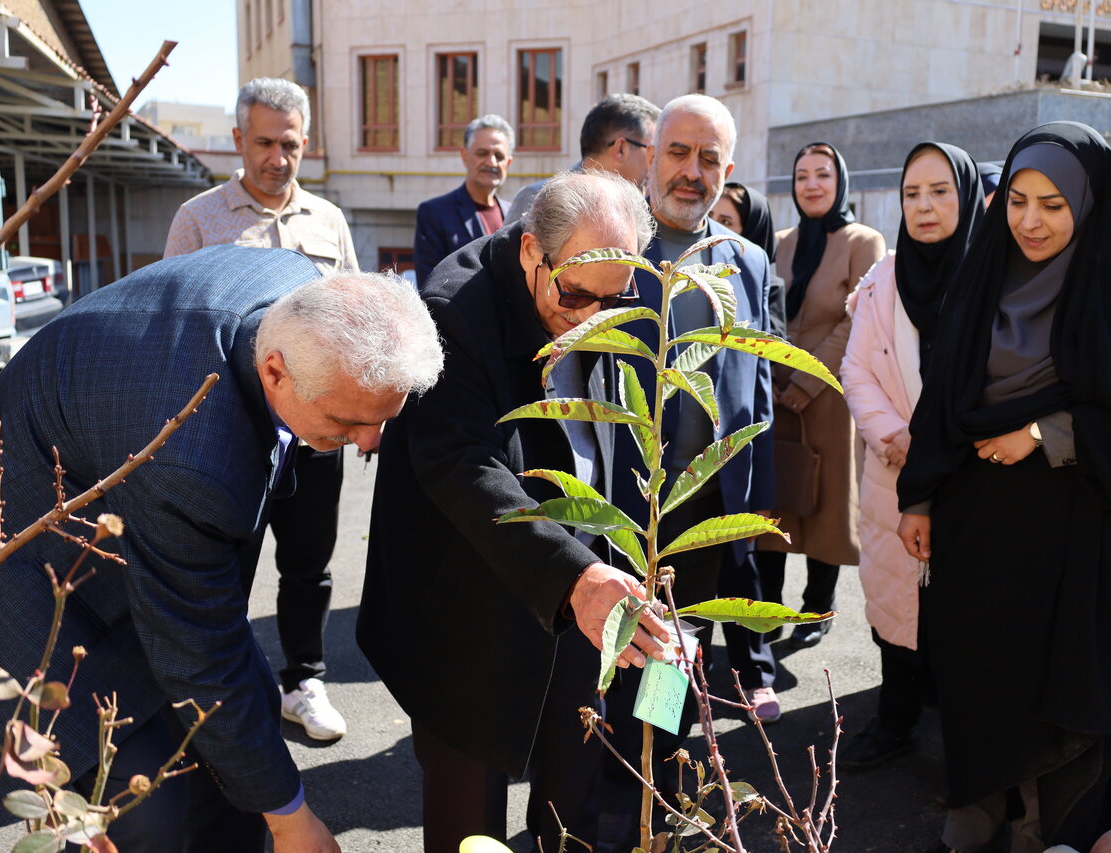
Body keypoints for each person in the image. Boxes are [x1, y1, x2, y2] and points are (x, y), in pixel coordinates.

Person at [0, 246, 443, 852]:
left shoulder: (297, 289)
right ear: (276, 371)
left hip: (111, 477)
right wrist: (292, 819)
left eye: (381, 420)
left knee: (241, 725)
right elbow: (202, 653)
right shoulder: (193, 457)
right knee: (137, 806)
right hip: (15, 545)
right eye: (347, 422)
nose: (368, 443)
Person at [896, 121, 1111, 852]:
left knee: (1053, 683)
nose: (1030, 222)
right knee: (979, 670)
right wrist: (920, 495)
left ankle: (1047, 826)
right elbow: (942, 396)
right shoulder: (985, 275)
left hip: (1075, 533)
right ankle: (981, 802)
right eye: (1018, 201)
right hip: (976, 528)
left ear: (1090, 204)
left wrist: (1044, 432)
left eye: (1054, 205)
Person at [358, 171, 670, 853]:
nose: (591, 318)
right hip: (466, 595)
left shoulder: (597, 294)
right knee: (468, 809)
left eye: (615, 299)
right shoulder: (452, 310)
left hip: (577, 570)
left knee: (575, 782)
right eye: (576, 295)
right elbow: (463, 467)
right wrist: (575, 576)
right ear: (532, 250)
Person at [596, 94, 775, 850]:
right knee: (609, 662)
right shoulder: (610, 245)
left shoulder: (747, 260)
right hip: (616, 507)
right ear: (649, 155)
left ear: (728, 171)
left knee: (676, 656)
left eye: (709, 159)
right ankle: (601, 805)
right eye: (678, 152)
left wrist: (753, 502)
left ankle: (658, 788)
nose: (691, 172)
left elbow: (755, 388)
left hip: (701, 512)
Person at [164, 77, 357, 743]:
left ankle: (304, 681)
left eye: (291, 144)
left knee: (309, 565)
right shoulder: (198, 219)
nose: (279, 158)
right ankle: (225, 691)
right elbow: (173, 324)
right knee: (227, 565)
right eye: (266, 143)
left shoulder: (328, 221)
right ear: (239, 140)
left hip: (317, 430)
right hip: (233, 432)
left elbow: (352, 317)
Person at [839, 142, 985, 771]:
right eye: (912, 194)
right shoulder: (884, 277)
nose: (924, 206)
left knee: (965, 615)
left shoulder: (995, 274)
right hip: (894, 472)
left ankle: (969, 745)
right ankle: (894, 721)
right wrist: (894, 435)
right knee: (894, 604)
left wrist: (941, 446)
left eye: (940, 191)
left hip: (974, 476)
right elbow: (855, 368)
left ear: (968, 196)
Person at [758, 141, 885, 649]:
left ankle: (817, 608)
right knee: (774, 505)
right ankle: (766, 610)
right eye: (802, 175)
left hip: (829, 395)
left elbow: (856, 319)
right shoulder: (781, 242)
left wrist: (806, 381)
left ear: (841, 182)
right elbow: (765, 312)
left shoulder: (863, 240)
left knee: (827, 505)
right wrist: (775, 378)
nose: (811, 184)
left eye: (823, 175)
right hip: (776, 391)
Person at [505, 93, 659, 225]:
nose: (655, 163)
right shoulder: (538, 199)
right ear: (621, 148)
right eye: (651, 151)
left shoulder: (646, 208)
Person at [414, 114, 514, 283]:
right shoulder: (434, 213)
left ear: (508, 163)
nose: (491, 162)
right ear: (464, 156)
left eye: (499, 156)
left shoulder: (515, 214)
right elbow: (429, 284)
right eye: (482, 153)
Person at [712, 181, 785, 335]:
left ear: (751, 230)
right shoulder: (693, 273)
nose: (714, 228)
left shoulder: (769, 287)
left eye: (726, 222)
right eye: (710, 217)